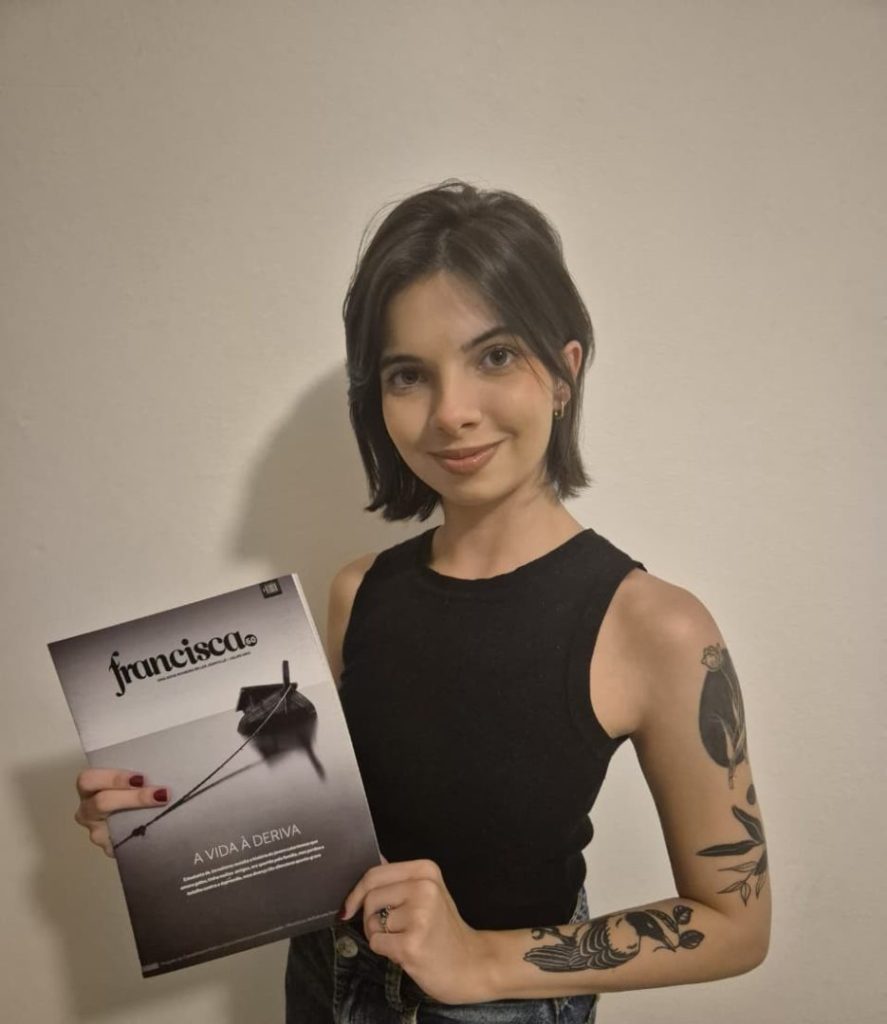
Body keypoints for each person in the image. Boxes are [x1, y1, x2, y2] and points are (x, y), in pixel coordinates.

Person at [75, 180, 770, 1022]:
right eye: (409, 375)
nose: (452, 414)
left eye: (495, 356)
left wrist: (481, 960)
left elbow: (735, 925)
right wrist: (163, 828)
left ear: (564, 372)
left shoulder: (656, 626)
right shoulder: (357, 591)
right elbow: (323, 819)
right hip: (324, 984)